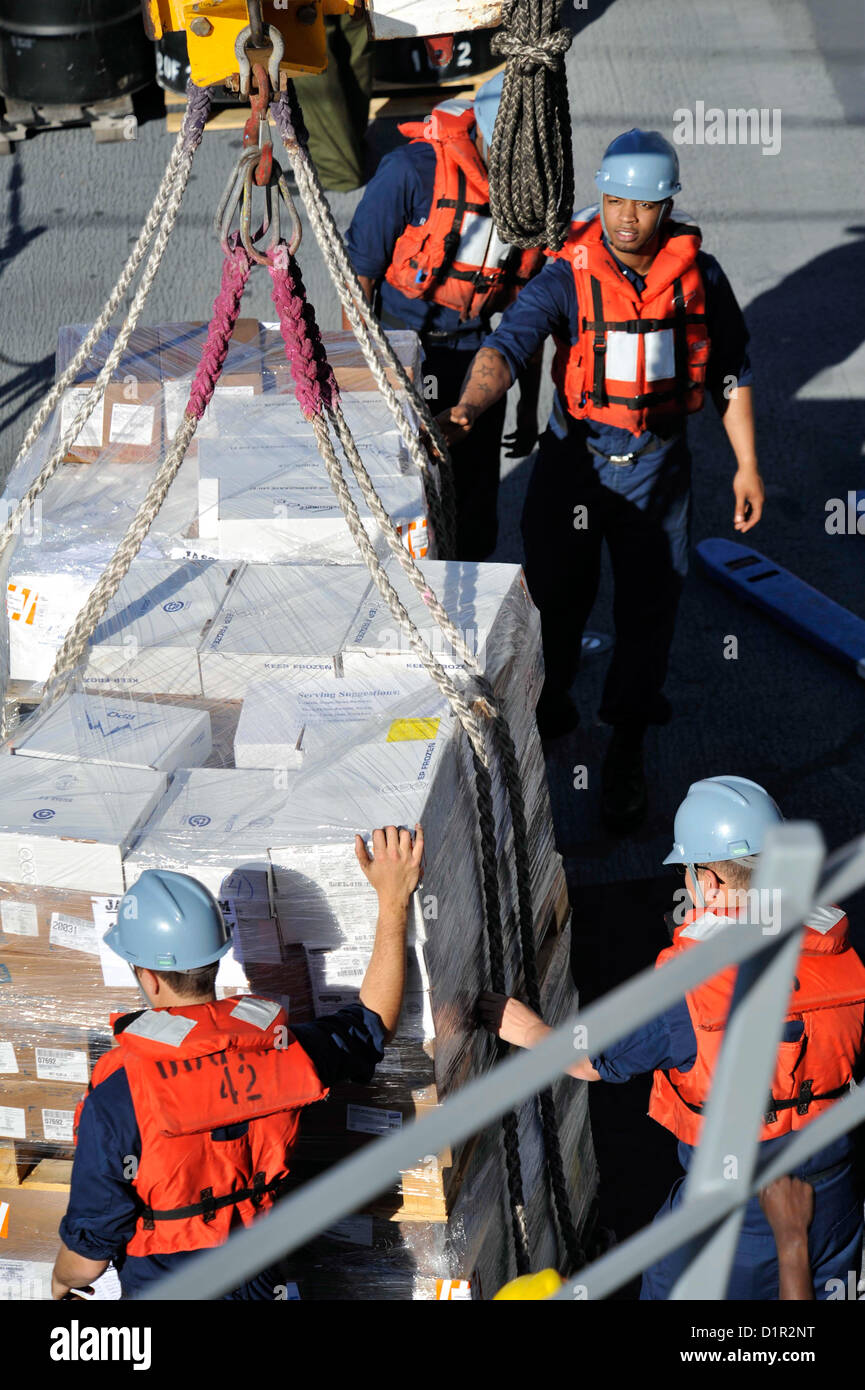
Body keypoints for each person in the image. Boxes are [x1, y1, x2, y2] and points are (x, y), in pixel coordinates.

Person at [438, 129, 764, 832]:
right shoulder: (567, 274)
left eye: (641, 206)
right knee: (554, 597)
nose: (624, 218)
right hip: (575, 465)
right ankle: (551, 701)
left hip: (658, 467)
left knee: (649, 616)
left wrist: (746, 464)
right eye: (613, 200)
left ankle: (625, 747)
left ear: (666, 207)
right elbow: (508, 344)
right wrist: (467, 408)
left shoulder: (700, 279)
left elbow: (731, 374)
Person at [480, 776, 865, 1300]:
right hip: (835, 1199)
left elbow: (593, 1059)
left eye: (687, 869)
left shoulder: (689, 989)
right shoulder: (842, 955)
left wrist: (526, 1028)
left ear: (710, 879)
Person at [51, 823, 423, 1300]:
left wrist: (61, 1281)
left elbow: (87, 1260)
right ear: (218, 958)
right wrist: (393, 900)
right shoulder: (282, 1050)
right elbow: (375, 1023)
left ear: (147, 975)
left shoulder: (121, 1090)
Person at [344, 71, 545, 560]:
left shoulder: (532, 199)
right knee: (401, 492)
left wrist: (525, 404)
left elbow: (529, 310)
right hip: (400, 345)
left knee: (475, 505)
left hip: (476, 352)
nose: (513, 174)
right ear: (480, 131)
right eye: (505, 155)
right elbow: (359, 281)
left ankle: (468, 606)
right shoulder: (410, 172)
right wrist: (364, 380)